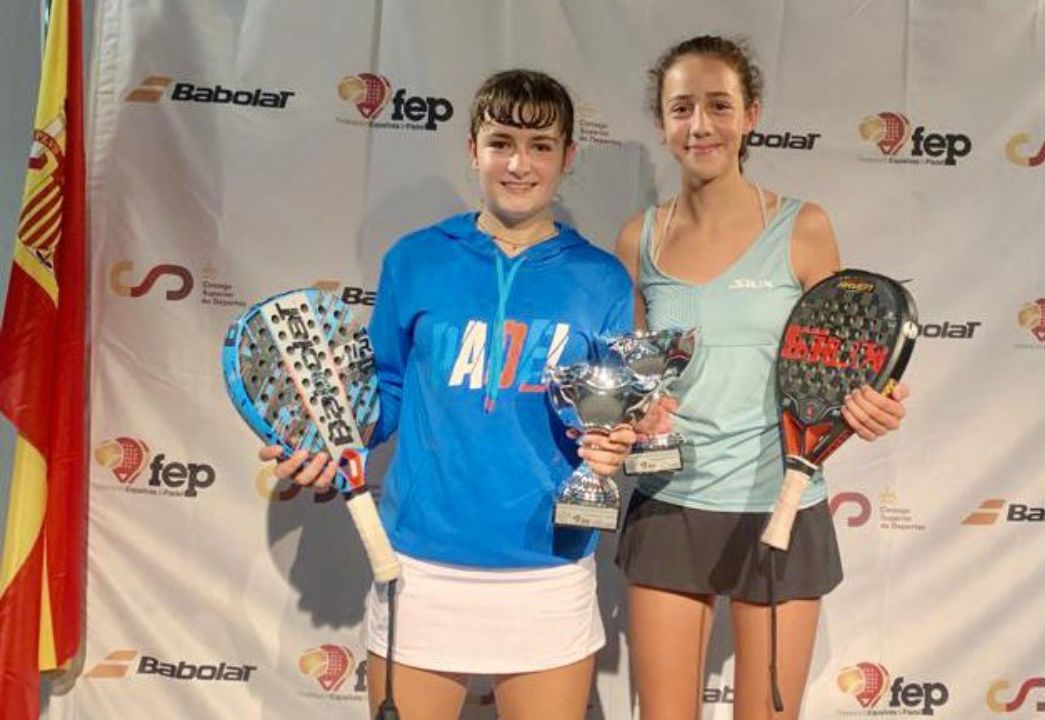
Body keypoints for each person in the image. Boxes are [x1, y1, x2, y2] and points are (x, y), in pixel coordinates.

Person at [261, 69, 635, 720]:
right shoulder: (414, 259)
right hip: (422, 561)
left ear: (568, 156)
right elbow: (388, 388)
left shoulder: (601, 278)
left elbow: (615, 416)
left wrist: (619, 444)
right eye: (501, 142)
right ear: (473, 149)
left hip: (548, 564)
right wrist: (330, 441)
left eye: (541, 146)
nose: (519, 164)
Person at [615, 36, 911, 720]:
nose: (700, 124)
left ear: (751, 115)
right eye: (681, 107)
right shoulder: (638, 240)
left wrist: (875, 403)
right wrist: (634, 415)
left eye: (719, 105)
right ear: (662, 122)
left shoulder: (804, 228)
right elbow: (635, 377)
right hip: (670, 503)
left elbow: (844, 367)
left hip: (781, 503)